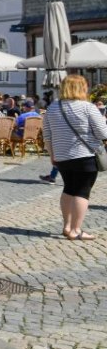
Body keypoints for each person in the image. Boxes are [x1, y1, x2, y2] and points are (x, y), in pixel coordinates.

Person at [42, 75, 107, 240]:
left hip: (62, 156)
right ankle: (76, 230)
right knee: (82, 192)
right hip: (85, 155)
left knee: (68, 189)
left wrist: (52, 155)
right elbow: (102, 133)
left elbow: (47, 136)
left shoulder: (52, 108)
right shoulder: (88, 107)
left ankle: (66, 226)